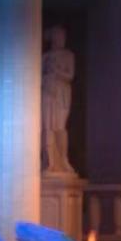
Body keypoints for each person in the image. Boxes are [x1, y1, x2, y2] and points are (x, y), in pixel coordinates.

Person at [41, 25, 76, 176]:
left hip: (62, 93)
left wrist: (56, 72)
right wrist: (47, 78)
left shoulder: (68, 55)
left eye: (63, 37)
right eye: (59, 36)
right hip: (48, 92)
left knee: (60, 127)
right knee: (47, 126)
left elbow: (70, 75)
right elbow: (38, 76)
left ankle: (63, 159)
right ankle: (49, 162)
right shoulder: (46, 57)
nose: (61, 39)